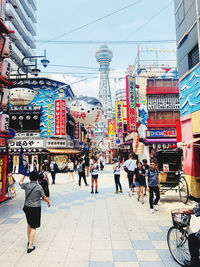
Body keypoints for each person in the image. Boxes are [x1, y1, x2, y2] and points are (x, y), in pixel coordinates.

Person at [19, 171, 50, 253]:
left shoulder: (27, 185)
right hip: (35, 208)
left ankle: (29, 241)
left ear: (30, 177)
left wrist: (24, 175)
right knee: (34, 227)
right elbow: (44, 197)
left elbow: (20, 182)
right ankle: (30, 246)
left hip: (27, 207)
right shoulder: (39, 187)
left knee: (29, 224)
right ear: (37, 178)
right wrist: (48, 202)